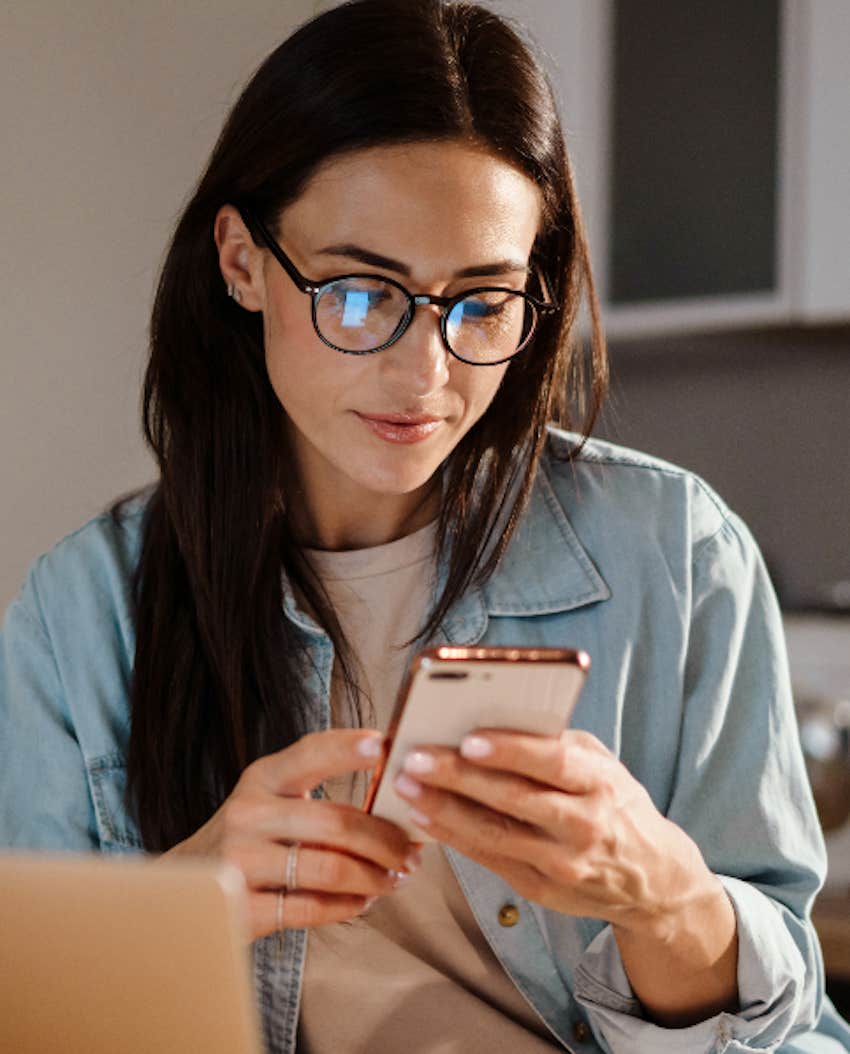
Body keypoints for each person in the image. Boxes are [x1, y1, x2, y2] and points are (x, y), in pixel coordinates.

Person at [1, 0, 849, 1051]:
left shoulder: (676, 554)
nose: (426, 374)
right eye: (361, 294)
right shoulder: (82, 614)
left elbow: (797, 1037)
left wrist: (663, 897)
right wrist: (189, 897)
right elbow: (32, 1016)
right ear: (241, 261)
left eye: (482, 301)